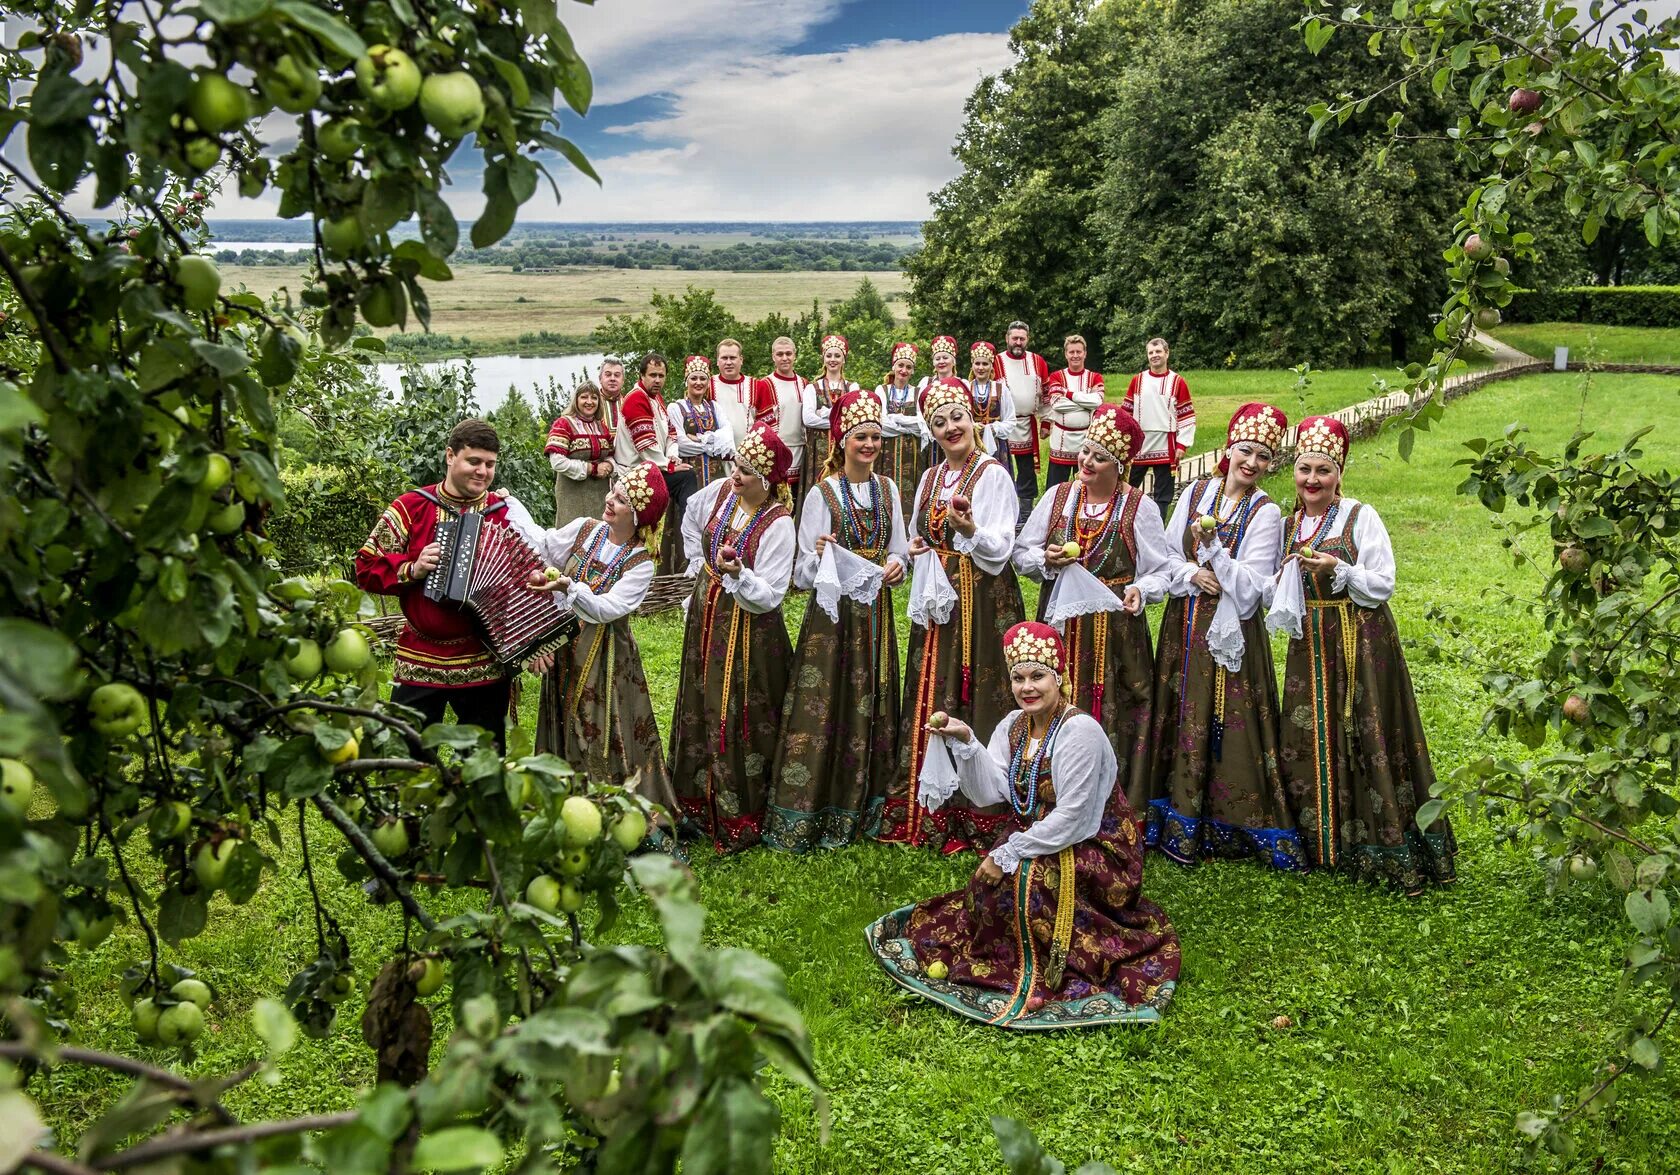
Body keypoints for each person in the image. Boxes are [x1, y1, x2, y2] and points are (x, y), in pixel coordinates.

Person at [865, 622, 1181, 1029]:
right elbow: (987, 792)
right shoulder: (1015, 725)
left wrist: (1010, 851)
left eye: (1038, 677)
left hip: (1098, 843)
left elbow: (1076, 817)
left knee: (1030, 883)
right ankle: (1006, 956)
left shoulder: (1079, 731)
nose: (1027, 687)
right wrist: (965, 742)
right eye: (1018, 678)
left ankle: (1057, 963)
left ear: (1059, 678)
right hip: (1041, 834)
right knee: (991, 887)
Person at [1266, 416, 1456, 892]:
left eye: (1323, 471)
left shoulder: (1360, 516)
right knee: (1311, 730)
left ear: (1339, 473)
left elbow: (1383, 582)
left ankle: (1378, 841)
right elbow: (1275, 587)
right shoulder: (1289, 524)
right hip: (1308, 642)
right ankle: (1319, 842)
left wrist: (1340, 569)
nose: (1312, 480)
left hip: (1359, 639)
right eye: (1304, 469)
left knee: (1364, 726)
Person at [1145, 403, 1304, 870]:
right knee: (1179, 708)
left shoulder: (1266, 512)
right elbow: (1163, 557)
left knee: (1227, 720)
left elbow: (1253, 586)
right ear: (1229, 447)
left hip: (1230, 631)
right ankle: (1173, 813)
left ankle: (1225, 821)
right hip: (1184, 624)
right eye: (1246, 451)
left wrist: (1214, 549)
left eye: (1263, 457)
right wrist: (1193, 572)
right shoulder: (1195, 492)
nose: (1252, 463)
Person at [878, 379, 1024, 852]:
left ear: (973, 419)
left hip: (982, 602)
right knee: (932, 685)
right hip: (938, 601)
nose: (949, 428)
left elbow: (1000, 551)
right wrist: (923, 546)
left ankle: (976, 806)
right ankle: (926, 803)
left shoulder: (993, 475)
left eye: (956, 417)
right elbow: (925, 535)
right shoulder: (928, 478)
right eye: (938, 422)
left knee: (975, 687)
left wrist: (972, 530)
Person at [768, 391, 909, 852]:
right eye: (860, 437)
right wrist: (820, 555)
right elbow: (801, 574)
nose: (869, 444)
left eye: (875, 436)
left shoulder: (888, 490)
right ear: (841, 441)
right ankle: (820, 801)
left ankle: (869, 798)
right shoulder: (821, 492)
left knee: (873, 694)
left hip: (874, 613)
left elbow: (900, 550)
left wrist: (896, 566)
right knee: (828, 695)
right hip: (832, 618)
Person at [504, 463, 679, 832]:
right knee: (563, 718)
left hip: (606, 659)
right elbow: (544, 544)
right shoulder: (587, 529)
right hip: (567, 647)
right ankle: (562, 805)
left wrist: (569, 587)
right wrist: (511, 505)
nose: (609, 499)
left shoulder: (640, 563)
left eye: (621, 499)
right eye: (613, 492)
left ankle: (604, 811)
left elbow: (607, 609)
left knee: (597, 727)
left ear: (638, 514)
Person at [1014, 405, 1171, 808]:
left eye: (1099, 457)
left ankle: (1115, 801)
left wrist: (1141, 588)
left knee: (1117, 701)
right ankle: (1050, 793)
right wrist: (1045, 559)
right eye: (1086, 451)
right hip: (1062, 622)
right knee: (1054, 700)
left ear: (1119, 466)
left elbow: (1161, 569)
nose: (1086, 461)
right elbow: (1022, 553)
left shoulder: (1139, 507)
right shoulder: (1058, 497)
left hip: (1113, 629)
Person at [667, 422, 797, 852]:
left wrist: (740, 576)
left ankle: (739, 808)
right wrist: (698, 564)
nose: (735, 475)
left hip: (748, 631)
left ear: (766, 480)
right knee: (700, 696)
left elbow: (772, 595)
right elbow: (690, 515)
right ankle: (694, 801)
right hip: (707, 614)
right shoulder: (723, 492)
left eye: (746, 471)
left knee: (739, 708)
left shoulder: (779, 524)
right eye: (737, 465)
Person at [353, 419, 518, 748]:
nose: (483, 472)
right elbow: (365, 565)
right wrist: (412, 568)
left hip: (483, 660)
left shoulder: (504, 512)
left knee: (484, 764)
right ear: (449, 456)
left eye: (490, 464)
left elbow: (523, 579)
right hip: (420, 657)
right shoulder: (411, 507)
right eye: (474, 461)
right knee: (409, 758)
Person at [661, 354, 732, 573]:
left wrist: (699, 439)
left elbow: (727, 439)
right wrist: (712, 441)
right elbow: (680, 443)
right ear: (686, 381)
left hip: (715, 474)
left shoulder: (715, 408)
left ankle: (718, 565)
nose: (698, 383)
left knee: (717, 514)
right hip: (690, 475)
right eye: (694, 378)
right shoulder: (676, 408)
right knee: (689, 517)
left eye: (702, 378)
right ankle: (685, 570)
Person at [1121, 337, 1195, 518]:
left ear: (1167, 353)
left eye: (1158, 352)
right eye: (1151, 352)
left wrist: (1182, 444)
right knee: (1126, 487)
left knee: (1163, 495)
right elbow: (1126, 412)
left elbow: (1186, 415)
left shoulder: (1177, 382)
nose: (1154, 356)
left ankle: (1157, 529)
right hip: (1140, 443)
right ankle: (1123, 522)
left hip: (1166, 444)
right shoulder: (1138, 381)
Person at [544, 381, 614, 527]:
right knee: (573, 537)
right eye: (584, 397)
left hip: (600, 495)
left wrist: (608, 465)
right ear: (576, 400)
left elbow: (610, 454)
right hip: (572, 495)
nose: (589, 402)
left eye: (594, 398)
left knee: (599, 536)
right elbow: (557, 462)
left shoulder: (601, 427)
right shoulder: (563, 424)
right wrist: (592, 469)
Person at [998, 321, 1050, 519]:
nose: (1018, 342)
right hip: (1002, 425)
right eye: (1014, 338)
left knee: (1026, 469)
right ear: (1007, 339)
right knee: (1002, 467)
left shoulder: (1038, 361)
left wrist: (1046, 421)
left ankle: (1026, 513)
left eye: (1022, 338)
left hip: (1027, 423)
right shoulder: (996, 361)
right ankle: (1004, 510)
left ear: (1027, 339)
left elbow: (1045, 394)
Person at [799, 333, 859, 495]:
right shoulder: (812, 388)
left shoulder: (852, 387)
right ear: (823, 359)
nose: (833, 359)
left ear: (844, 359)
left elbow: (854, 419)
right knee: (818, 488)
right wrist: (839, 419)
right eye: (829, 355)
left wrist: (824, 414)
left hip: (844, 448)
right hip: (818, 448)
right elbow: (808, 419)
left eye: (837, 356)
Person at [1044, 335, 1104, 490]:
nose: (1075, 355)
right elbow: (1056, 403)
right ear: (1066, 354)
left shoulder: (1094, 377)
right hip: (1061, 442)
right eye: (1071, 352)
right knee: (1056, 488)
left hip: (1086, 439)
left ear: (1085, 353)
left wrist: (1069, 394)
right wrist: (1086, 404)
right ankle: (1054, 514)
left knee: (1087, 486)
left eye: (1079, 351)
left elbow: (1097, 402)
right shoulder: (1057, 376)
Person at [876, 340, 928, 509]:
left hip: (912, 453)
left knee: (911, 493)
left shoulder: (918, 392)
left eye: (908, 367)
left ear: (913, 370)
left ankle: (909, 533)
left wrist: (896, 418)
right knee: (885, 490)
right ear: (894, 366)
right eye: (900, 365)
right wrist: (907, 426)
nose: (904, 370)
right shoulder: (881, 390)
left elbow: (922, 425)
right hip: (886, 452)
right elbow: (881, 424)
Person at [711, 337, 777, 455]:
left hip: (749, 457)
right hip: (715, 456)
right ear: (717, 361)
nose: (729, 362)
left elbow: (768, 427)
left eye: (733, 358)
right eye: (724, 358)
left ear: (741, 359)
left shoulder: (758, 386)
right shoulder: (707, 386)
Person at [766, 336, 808, 508]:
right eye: (780, 354)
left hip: (800, 451)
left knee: (798, 504)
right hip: (778, 454)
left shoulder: (804, 384)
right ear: (773, 357)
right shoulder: (765, 384)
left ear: (795, 355)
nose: (785, 358)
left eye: (788, 353)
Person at [967, 340, 1015, 466]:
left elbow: (1010, 421)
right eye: (977, 363)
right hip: (971, 444)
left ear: (991, 365)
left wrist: (992, 428)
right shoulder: (966, 388)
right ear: (972, 365)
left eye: (985, 364)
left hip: (997, 445)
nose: (981, 368)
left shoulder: (1000, 389)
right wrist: (972, 426)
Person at [597, 358, 626, 432]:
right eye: (608, 375)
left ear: (623, 381)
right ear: (600, 379)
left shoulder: (630, 404)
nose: (612, 379)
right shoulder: (591, 405)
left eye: (617, 375)